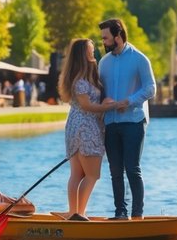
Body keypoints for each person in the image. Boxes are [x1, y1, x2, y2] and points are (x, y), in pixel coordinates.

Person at [98, 17, 157, 220]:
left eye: (106, 38)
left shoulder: (140, 59)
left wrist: (128, 101)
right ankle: (120, 213)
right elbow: (100, 91)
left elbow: (151, 88)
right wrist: (103, 98)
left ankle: (137, 215)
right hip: (110, 124)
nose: (103, 42)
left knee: (132, 168)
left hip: (133, 122)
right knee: (115, 171)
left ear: (118, 35)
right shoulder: (103, 63)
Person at [59, 38, 117, 221]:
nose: (94, 53)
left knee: (77, 173)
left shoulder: (78, 78)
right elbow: (87, 106)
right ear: (82, 55)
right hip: (86, 128)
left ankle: (74, 212)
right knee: (92, 174)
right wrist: (109, 106)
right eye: (90, 51)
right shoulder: (81, 80)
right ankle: (79, 213)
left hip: (75, 127)